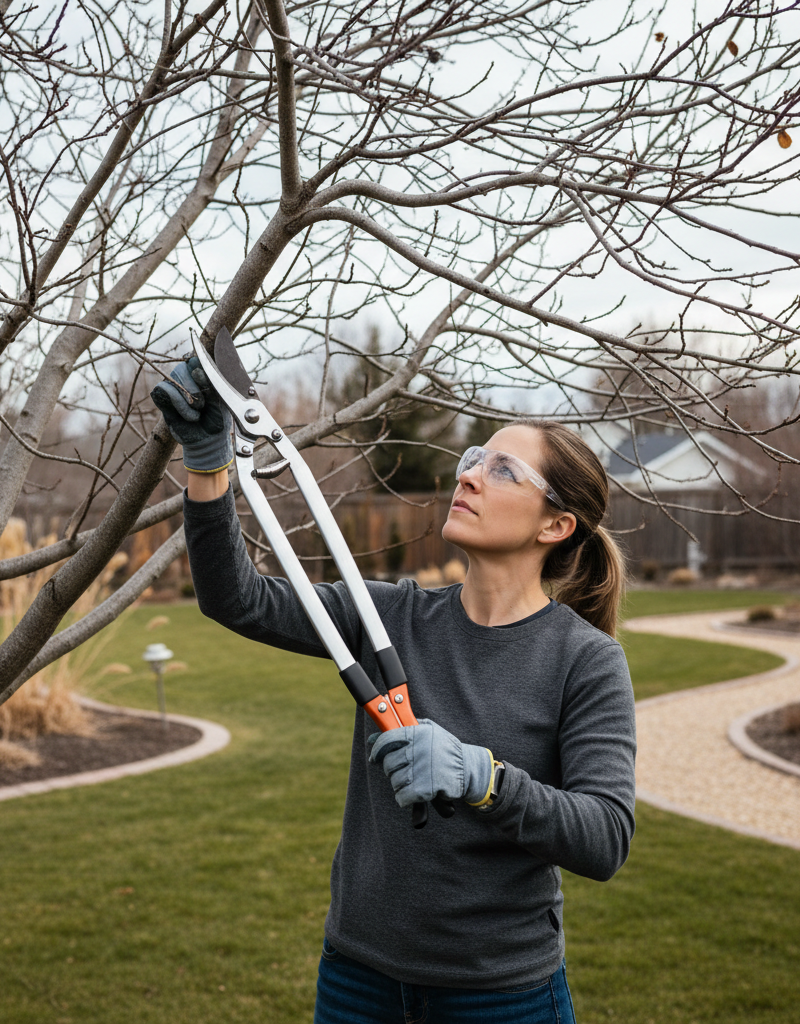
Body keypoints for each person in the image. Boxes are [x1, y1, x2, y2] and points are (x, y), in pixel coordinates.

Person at [152, 359, 636, 1024]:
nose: (467, 474)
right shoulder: (389, 615)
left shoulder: (585, 661)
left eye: (502, 471)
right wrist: (208, 467)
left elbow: (605, 837)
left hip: (500, 995)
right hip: (358, 980)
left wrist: (483, 777)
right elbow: (240, 600)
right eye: (476, 457)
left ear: (555, 526)